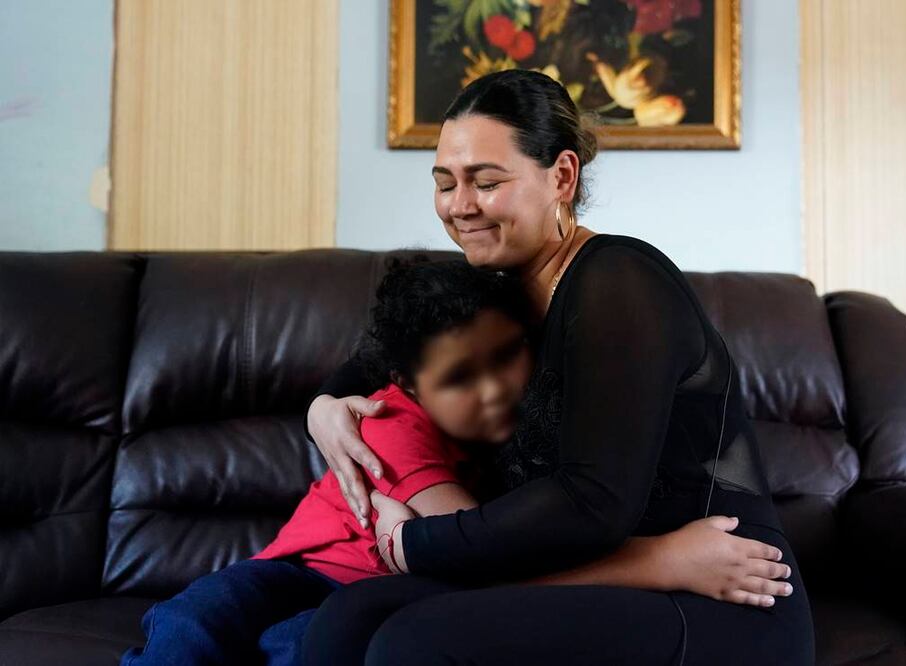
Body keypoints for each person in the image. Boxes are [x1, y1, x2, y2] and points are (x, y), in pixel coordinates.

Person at [301, 70, 815, 665]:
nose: (460, 206)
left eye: (486, 181)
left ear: (562, 176)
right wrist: (322, 409)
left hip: (714, 588)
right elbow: (378, 356)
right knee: (348, 618)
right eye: (445, 183)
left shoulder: (618, 282)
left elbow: (593, 504)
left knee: (410, 644)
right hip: (593, 572)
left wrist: (414, 543)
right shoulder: (502, 288)